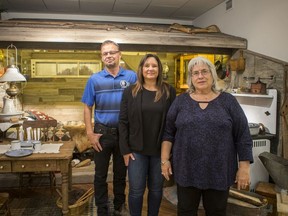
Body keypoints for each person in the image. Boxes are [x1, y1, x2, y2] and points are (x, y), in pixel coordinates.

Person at [161, 56, 253, 216]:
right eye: (195, 73)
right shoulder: (180, 102)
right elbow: (168, 133)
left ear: (212, 75)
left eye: (204, 71)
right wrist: (164, 161)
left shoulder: (228, 102)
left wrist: (244, 167)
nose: (200, 76)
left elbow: (243, 135)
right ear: (191, 78)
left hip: (219, 170)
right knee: (186, 211)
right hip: (186, 170)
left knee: (217, 212)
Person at [81, 40, 137, 216]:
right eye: (105, 53)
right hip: (102, 133)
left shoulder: (131, 77)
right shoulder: (94, 79)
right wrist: (90, 133)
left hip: (124, 134)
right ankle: (102, 209)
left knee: (121, 174)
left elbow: (139, 105)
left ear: (120, 54)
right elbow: (87, 107)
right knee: (100, 175)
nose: (109, 55)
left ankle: (120, 206)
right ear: (101, 57)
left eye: (112, 52)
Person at [119, 54, 176, 216]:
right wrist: (125, 150)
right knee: (136, 191)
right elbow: (122, 122)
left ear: (159, 69)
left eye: (154, 66)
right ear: (141, 69)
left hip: (160, 151)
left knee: (156, 190)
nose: (150, 69)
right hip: (136, 151)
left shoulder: (168, 91)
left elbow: (172, 123)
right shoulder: (131, 92)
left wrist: (170, 152)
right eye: (147, 66)